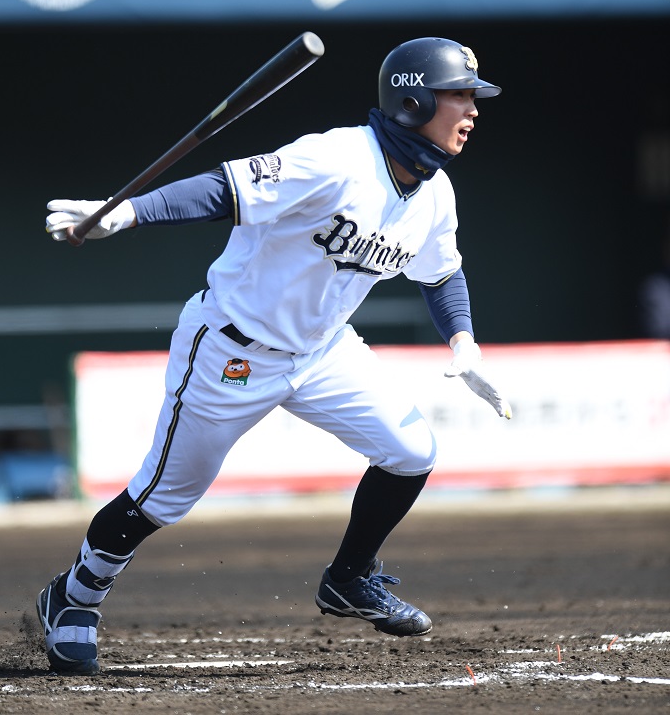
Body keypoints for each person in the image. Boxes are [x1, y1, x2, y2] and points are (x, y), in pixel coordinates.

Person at [38, 36, 512, 675]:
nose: (473, 109)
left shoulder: (434, 191)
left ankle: (349, 578)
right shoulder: (337, 157)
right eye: (460, 95)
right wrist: (124, 215)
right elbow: (221, 190)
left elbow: (441, 275)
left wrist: (464, 342)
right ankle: (75, 597)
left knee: (411, 453)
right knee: (163, 497)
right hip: (233, 348)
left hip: (323, 351)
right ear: (416, 98)